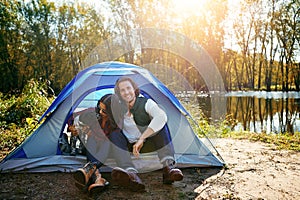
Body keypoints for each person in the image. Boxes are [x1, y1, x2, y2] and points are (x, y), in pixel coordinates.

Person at [109, 76, 183, 191]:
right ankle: (131, 174)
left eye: (128, 88)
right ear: (119, 93)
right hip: (128, 147)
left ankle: (168, 168)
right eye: (122, 90)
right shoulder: (117, 107)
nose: (126, 92)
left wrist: (142, 139)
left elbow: (161, 116)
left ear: (134, 89)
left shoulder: (145, 102)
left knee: (160, 125)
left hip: (147, 144)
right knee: (114, 134)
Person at [71, 94, 119, 195]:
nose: (100, 112)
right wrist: (73, 127)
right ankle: (98, 178)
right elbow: (71, 116)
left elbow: (111, 140)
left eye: (104, 111)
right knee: (91, 140)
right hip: (91, 146)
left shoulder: (116, 122)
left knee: (106, 143)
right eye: (99, 108)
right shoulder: (93, 111)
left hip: (106, 150)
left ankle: (92, 174)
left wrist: (92, 133)